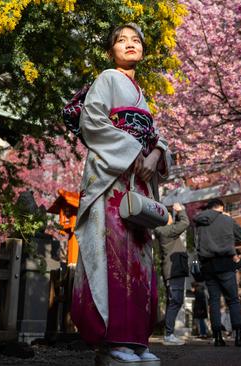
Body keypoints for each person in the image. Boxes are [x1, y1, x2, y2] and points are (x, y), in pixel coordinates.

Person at [70, 23, 169, 366]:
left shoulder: (140, 92)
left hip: (137, 180)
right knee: (112, 253)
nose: (130, 44)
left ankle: (136, 340)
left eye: (136, 40)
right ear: (111, 49)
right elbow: (92, 122)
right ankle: (111, 340)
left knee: (139, 257)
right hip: (112, 180)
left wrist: (155, 154)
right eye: (122, 40)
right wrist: (134, 150)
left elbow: (155, 136)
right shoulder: (107, 79)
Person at [193, 199, 241, 347]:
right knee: (233, 300)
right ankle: (239, 337)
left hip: (208, 265)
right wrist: (230, 220)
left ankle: (217, 337)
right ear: (220, 208)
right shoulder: (226, 219)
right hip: (225, 262)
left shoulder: (200, 221)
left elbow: (197, 243)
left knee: (214, 301)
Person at [154, 202, 190, 346]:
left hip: (175, 270)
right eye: (169, 216)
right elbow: (185, 222)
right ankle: (169, 335)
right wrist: (180, 211)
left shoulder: (165, 230)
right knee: (175, 301)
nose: (171, 217)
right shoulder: (165, 231)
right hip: (174, 271)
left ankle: (169, 334)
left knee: (173, 301)